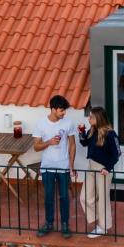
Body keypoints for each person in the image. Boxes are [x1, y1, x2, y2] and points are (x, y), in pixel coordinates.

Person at [33, 95, 76, 238]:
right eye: (61, 111)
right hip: (47, 167)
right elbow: (36, 147)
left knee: (64, 196)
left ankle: (65, 224)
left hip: (63, 166)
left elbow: (72, 144)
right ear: (53, 109)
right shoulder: (41, 124)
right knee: (48, 197)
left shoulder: (68, 123)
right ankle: (49, 223)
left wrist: (71, 165)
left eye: (64, 111)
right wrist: (49, 143)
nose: (64, 113)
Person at [78, 107, 121, 238]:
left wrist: (107, 168)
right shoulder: (92, 131)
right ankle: (100, 220)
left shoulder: (110, 134)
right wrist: (81, 132)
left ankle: (103, 227)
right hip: (91, 168)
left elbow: (117, 153)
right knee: (84, 197)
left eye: (91, 117)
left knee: (103, 199)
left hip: (102, 170)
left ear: (98, 118)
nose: (88, 119)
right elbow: (84, 143)